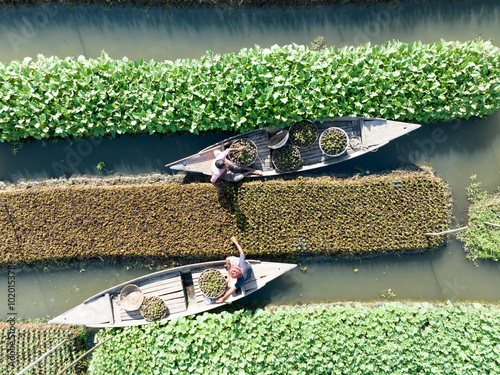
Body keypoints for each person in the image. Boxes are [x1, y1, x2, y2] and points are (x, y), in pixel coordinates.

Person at [216, 236, 253, 303]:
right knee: (228, 259)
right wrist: (235, 241)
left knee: (229, 285)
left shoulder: (241, 280)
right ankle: (229, 276)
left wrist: (222, 298)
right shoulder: (242, 263)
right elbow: (241, 252)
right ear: (238, 268)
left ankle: (230, 279)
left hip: (249, 273)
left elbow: (232, 289)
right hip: (246, 266)